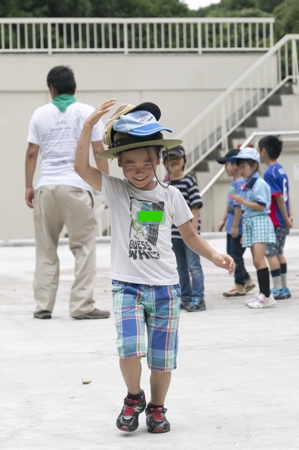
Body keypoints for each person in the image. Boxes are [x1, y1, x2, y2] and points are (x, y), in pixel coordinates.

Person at [74, 99, 234, 434]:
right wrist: (89, 125)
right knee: (129, 349)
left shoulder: (171, 197)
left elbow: (190, 235)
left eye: (145, 162)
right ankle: (134, 397)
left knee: (162, 358)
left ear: (158, 160)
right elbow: (82, 169)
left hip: (165, 288)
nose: (138, 170)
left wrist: (216, 256)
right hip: (126, 285)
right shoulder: (115, 191)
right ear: (119, 164)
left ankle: (157, 409)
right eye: (129, 163)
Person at [24, 65, 110, 320]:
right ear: (74, 87)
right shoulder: (88, 113)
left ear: (51, 88)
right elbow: (99, 151)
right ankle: (82, 305)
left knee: (46, 249)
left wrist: (29, 185)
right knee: (84, 247)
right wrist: (105, 188)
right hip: (77, 188)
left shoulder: (39, 113)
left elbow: (31, 152)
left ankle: (43, 306)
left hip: (46, 188)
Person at [229, 147, 277, 308]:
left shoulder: (260, 183)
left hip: (259, 221)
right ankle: (263, 293)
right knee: (256, 261)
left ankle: (267, 296)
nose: (240, 169)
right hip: (250, 222)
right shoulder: (246, 184)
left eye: (244, 166)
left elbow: (261, 206)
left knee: (258, 260)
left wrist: (242, 202)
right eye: (239, 166)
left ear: (254, 166)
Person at [163, 146, 206, 312]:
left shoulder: (189, 180)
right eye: (169, 159)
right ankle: (185, 297)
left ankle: (198, 298)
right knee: (180, 267)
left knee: (194, 266)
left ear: (184, 160)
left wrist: (193, 231)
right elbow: (162, 211)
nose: (173, 162)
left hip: (189, 234)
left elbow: (195, 205)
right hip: (173, 235)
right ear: (163, 163)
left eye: (176, 158)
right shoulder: (165, 184)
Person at [216, 148, 256, 297]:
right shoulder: (234, 183)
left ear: (235, 165)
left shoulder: (241, 183)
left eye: (226, 164)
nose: (225, 168)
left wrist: (234, 227)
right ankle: (247, 280)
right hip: (231, 226)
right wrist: (223, 220)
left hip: (237, 227)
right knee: (232, 254)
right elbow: (230, 204)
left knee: (236, 256)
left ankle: (240, 285)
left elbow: (239, 206)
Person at [258, 135, 293, 300]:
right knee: (279, 252)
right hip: (283, 219)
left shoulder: (269, 173)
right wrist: (289, 215)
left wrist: (285, 219)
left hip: (276, 220)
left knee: (270, 253)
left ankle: (278, 288)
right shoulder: (280, 169)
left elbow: (278, 197)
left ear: (263, 151)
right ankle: (284, 286)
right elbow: (287, 196)